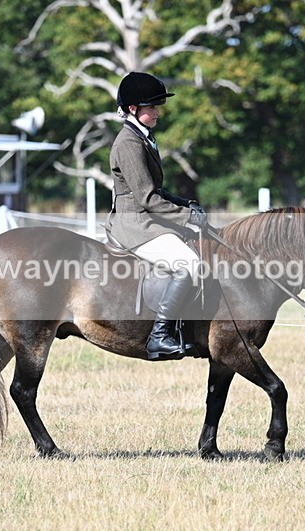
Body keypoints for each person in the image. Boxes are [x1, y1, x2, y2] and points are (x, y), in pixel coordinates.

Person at [105, 71, 207, 362]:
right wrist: (185, 217)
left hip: (145, 217)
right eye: (152, 107)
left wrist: (187, 204)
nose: (158, 111)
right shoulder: (128, 143)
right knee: (188, 264)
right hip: (133, 223)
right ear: (134, 109)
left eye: (157, 106)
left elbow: (156, 190)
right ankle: (160, 336)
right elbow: (147, 198)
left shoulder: (143, 137)